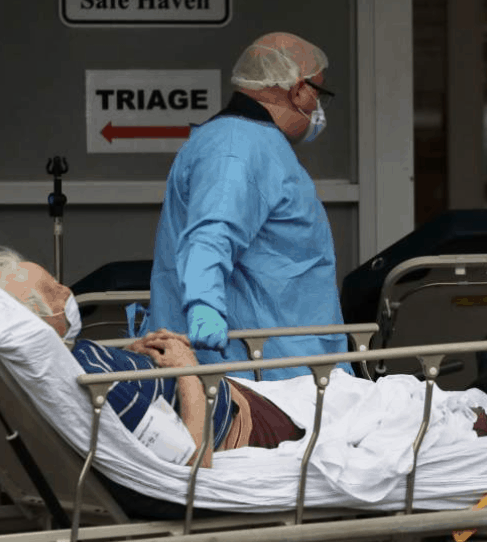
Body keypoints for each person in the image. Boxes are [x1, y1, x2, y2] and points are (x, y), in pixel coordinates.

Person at [0, 248, 487, 542]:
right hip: (251, 427)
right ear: (32, 318)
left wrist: (139, 359)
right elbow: (191, 464)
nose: (66, 290)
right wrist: (185, 372)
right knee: (385, 414)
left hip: (248, 404)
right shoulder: (93, 380)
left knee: (380, 397)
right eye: (52, 289)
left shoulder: (69, 363)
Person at [144, 31, 348, 384]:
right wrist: (204, 311)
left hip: (277, 361)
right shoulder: (236, 147)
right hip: (260, 372)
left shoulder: (247, 142)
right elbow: (211, 236)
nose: (317, 107)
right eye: (319, 93)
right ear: (299, 90)